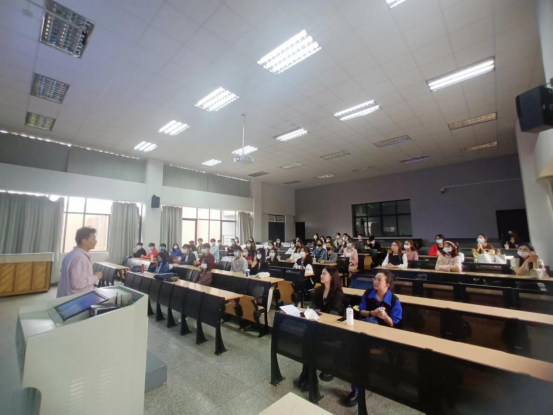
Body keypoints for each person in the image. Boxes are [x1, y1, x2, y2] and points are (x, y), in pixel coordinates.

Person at [346, 270, 402, 407]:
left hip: (384, 336)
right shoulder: (368, 293)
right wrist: (372, 313)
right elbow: (360, 311)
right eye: (374, 279)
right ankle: (355, 387)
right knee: (354, 346)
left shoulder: (394, 300)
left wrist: (384, 316)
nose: (375, 282)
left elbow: (394, 323)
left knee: (357, 349)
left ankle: (356, 386)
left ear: (387, 285)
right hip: (366, 331)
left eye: (379, 280)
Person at [297, 267, 344, 389]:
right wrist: (312, 313)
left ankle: (309, 374)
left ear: (331, 277)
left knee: (312, 339)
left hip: (331, 328)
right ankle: (306, 371)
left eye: (324, 274)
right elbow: (312, 306)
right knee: (307, 336)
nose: (321, 275)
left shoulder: (338, 294)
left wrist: (319, 316)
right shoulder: (318, 290)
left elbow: (335, 312)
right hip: (317, 324)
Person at [57, 227, 103, 298]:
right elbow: (77, 284)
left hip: (67, 296)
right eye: (93, 239)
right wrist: (96, 277)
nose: (96, 241)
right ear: (84, 241)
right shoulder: (80, 258)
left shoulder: (72, 254)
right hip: (75, 299)